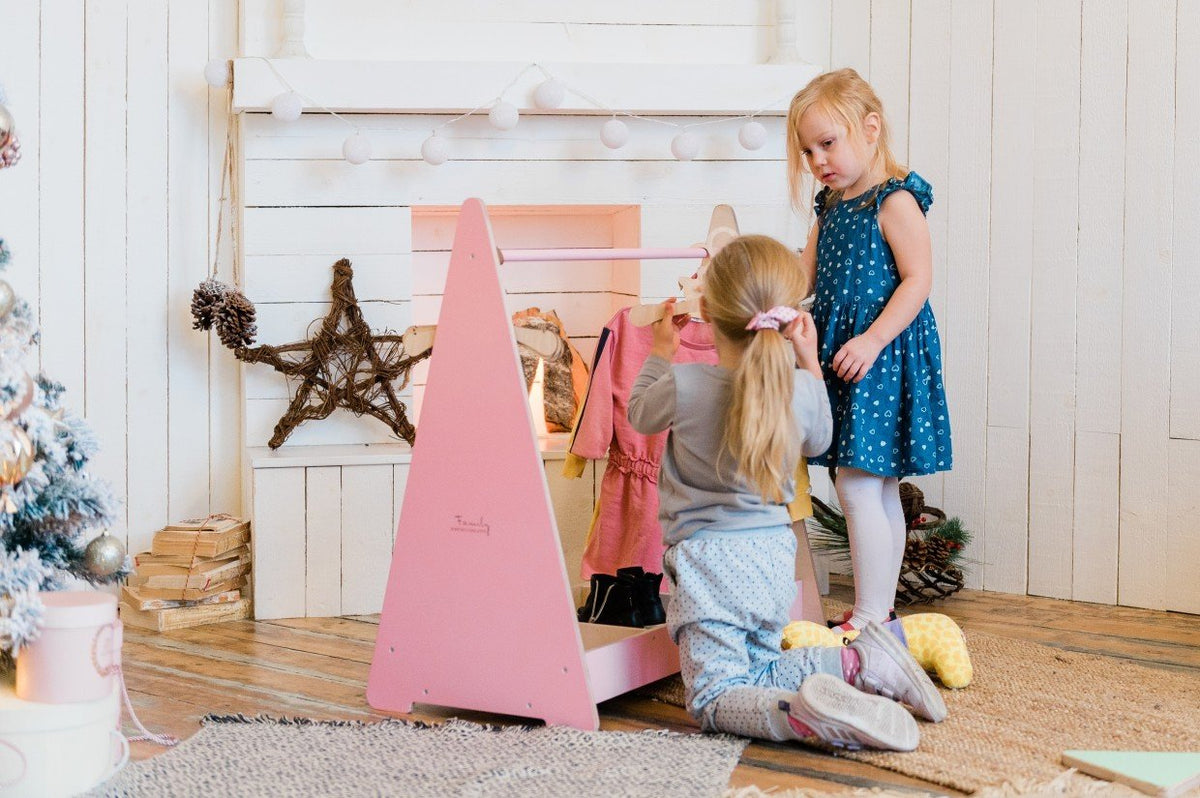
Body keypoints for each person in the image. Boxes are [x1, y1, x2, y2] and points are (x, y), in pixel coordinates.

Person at [628, 235, 946, 752]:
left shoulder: (684, 385)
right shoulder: (795, 388)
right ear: (790, 315)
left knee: (715, 695)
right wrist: (810, 364)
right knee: (763, 665)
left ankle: (803, 718)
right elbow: (821, 438)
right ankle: (860, 662)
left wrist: (661, 351)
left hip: (708, 564)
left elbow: (639, 413)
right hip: (775, 558)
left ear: (705, 310)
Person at [786, 68, 953, 633]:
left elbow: (918, 279)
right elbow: (799, 278)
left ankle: (870, 615)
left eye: (827, 143)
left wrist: (874, 338)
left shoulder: (894, 200)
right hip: (842, 354)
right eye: (808, 151)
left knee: (860, 483)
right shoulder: (829, 206)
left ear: (870, 128)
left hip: (878, 353)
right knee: (871, 485)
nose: (817, 160)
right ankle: (878, 611)